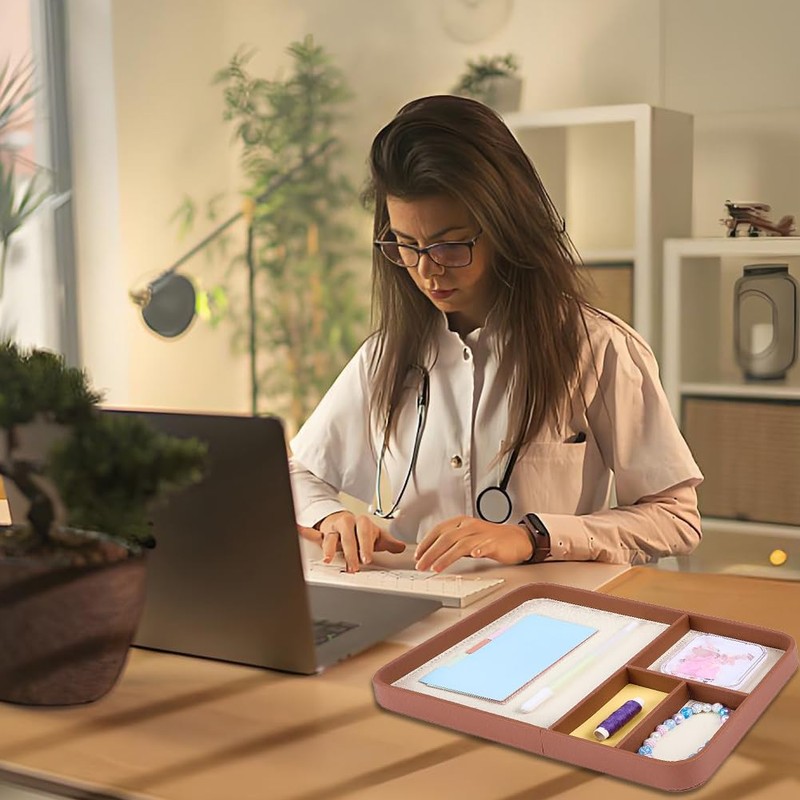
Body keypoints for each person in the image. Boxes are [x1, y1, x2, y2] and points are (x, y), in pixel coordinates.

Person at [290, 94, 702, 574]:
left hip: (544, 618)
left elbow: (675, 518)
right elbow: (298, 472)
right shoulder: (383, 357)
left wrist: (536, 538)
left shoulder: (599, 349)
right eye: (406, 244)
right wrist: (334, 516)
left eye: (449, 244)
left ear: (507, 226)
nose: (426, 270)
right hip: (411, 613)